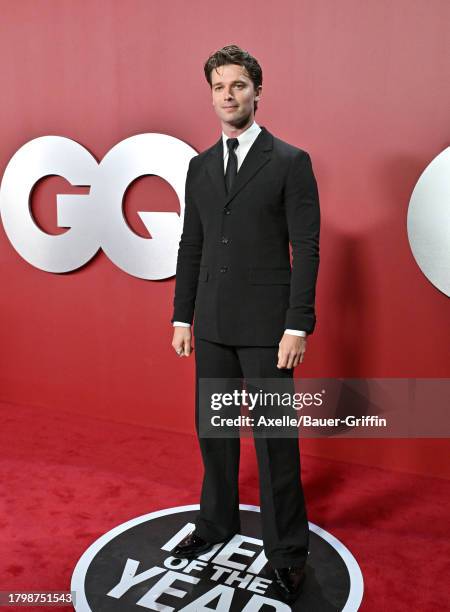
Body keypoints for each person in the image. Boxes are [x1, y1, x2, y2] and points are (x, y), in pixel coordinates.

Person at [170, 44, 320, 603]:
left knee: (276, 440)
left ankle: (286, 552)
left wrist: (297, 324)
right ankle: (215, 524)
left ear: (257, 90)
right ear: (210, 94)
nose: (227, 95)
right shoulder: (199, 166)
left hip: (268, 328)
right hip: (209, 323)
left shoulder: (290, 161)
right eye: (217, 87)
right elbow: (192, 244)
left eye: (237, 85)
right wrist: (182, 314)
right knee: (215, 433)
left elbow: (305, 248)